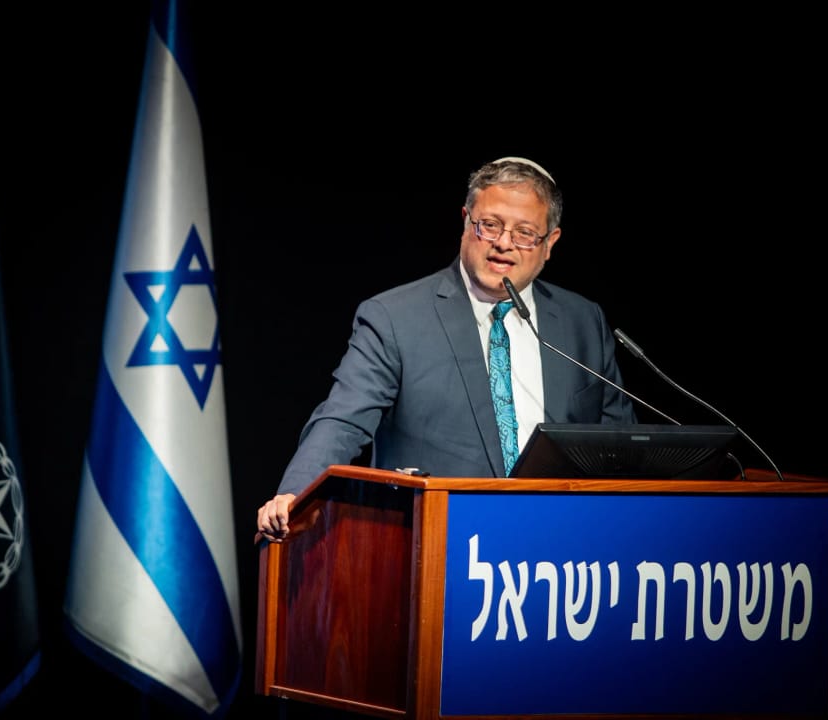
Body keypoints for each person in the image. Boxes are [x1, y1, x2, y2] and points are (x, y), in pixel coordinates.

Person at [256, 156, 636, 541]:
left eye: (524, 233)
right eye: (490, 225)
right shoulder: (396, 318)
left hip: (560, 548)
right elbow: (343, 420)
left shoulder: (582, 322)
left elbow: (619, 443)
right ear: (466, 220)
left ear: (549, 243)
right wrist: (296, 494)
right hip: (437, 544)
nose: (504, 243)